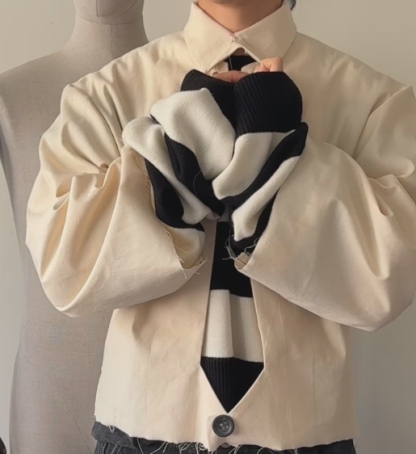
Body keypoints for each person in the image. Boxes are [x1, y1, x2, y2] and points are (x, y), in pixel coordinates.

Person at [25, 0, 416, 454]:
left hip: (304, 437)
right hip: (138, 434)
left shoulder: (378, 104)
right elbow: (65, 267)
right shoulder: (103, 96)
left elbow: (388, 277)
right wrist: (179, 149)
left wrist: (273, 149)